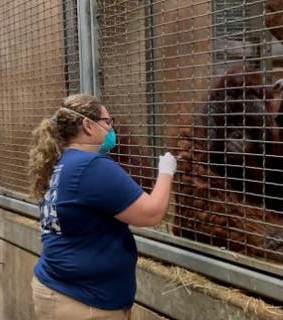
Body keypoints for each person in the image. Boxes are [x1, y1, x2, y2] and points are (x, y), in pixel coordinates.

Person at [28, 93, 177, 319]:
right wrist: (166, 171)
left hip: (60, 289)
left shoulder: (59, 162)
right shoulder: (90, 166)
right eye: (107, 122)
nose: (111, 129)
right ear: (88, 125)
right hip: (82, 301)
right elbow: (151, 213)